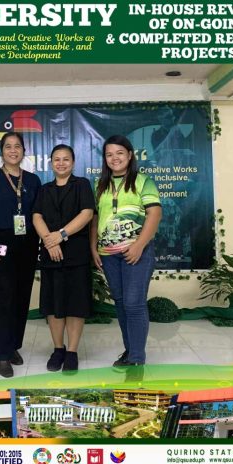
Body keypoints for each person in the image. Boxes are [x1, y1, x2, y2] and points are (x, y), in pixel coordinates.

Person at [90, 134, 162, 368]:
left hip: (136, 253)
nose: (115, 158)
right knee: (121, 303)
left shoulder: (143, 181)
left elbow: (154, 214)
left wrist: (139, 245)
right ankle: (130, 351)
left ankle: (137, 358)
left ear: (130, 155)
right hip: (108, 255)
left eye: (120, 153)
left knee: (134, 303)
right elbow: (96, 218)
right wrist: (93, 247)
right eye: (109, 154)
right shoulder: (99, 184)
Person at [0, 132, 41, 378]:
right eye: (8, 147)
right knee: (5, 297)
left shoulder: (32, 180)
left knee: (22, 297)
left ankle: (13, 345)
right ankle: (2, 354)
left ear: (24, 151)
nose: (13, 150)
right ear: (2, 151)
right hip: (1, 242)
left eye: (17, 146)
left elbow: (38, 214)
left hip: (28, 242)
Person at [33, 144, 95, 372]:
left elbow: (87, 213)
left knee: (75, 305)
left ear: (73, 162)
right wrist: (49, 241)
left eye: (66, 159)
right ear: (51, 163)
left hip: (76, 254)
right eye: (56, 159)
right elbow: (37, 216)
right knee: (54, 305)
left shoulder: (82, 185)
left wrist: (61, 235)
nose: (61, 163)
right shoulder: (44, 189)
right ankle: (58, 349)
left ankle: (72, 352)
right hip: (51, 254)